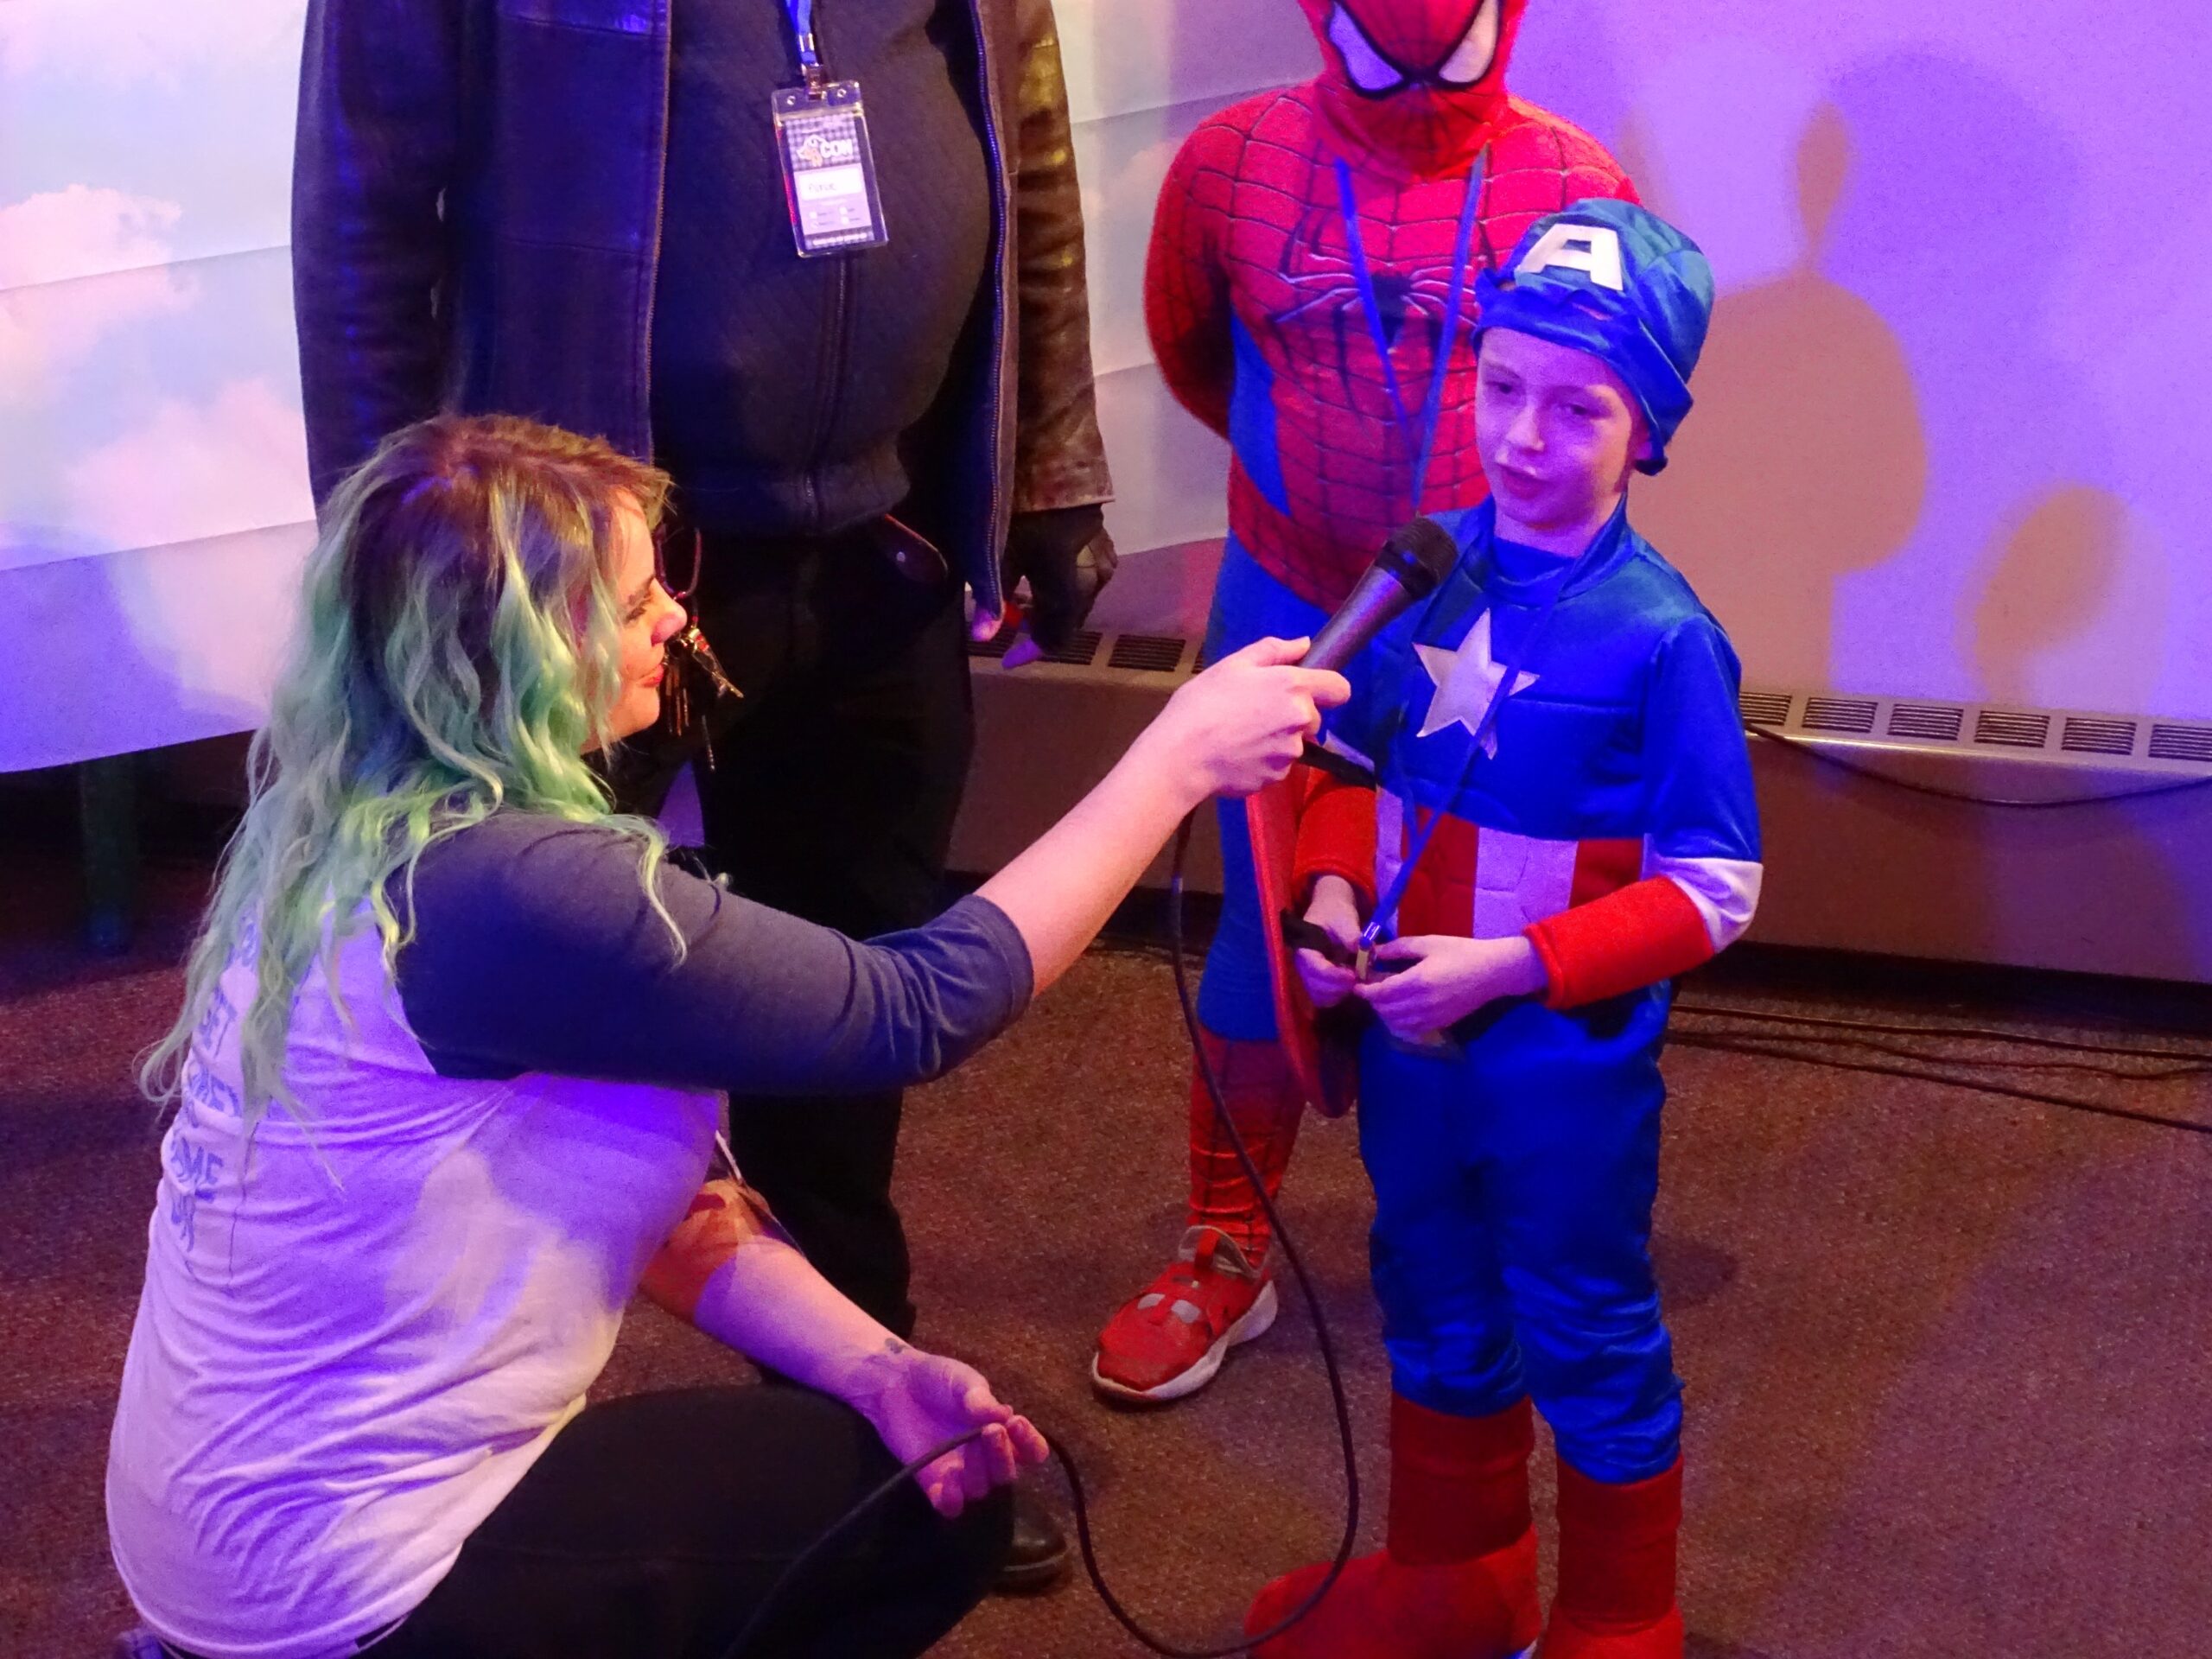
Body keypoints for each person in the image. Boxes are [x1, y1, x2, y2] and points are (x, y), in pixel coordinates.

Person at [105, 416, 1344, 1659]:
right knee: (928, 1518)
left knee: (901, 1445)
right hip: (340, 1590)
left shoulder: (346, 831)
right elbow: (918, 1008)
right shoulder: (515, 888)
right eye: (634, 601)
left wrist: (874, 1368)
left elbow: (664, 1205)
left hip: (228, 1552)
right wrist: (1171, 764)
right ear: (520, 650)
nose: (675, 620)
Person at [292, 0, 1114, 1580]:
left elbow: (1026, 133)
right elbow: (360, 212)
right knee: (503, 1047)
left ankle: (861, 1419)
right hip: (574, 589)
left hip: (878, 547)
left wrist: (1053, 466)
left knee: (842, 1003)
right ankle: (418, 1484)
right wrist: (398, 568)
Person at [1095, 0, 1639, 1405]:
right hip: (1287, 595)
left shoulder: (1575, 187)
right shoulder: (1231, 164)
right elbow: (1197, 355)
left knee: (1495, 917)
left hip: (1496, 613)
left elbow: (1605, 401)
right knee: (1261, 930)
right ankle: (1226, 1242)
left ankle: (1497, 1231)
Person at [1241, 201, 1758, 1658]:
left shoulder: (1664, 637)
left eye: (1579, 407)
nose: (1524, 436)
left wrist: (1515, 967)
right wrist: (1331, 896)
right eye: (1503, 386)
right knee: (1430, 1286)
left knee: (1585, 1320)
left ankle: (1618, 1624)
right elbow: (1347, 767)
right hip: (1413, 1040)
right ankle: (1452, 1584)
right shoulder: (1424, 570)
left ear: (1647, 431)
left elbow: (1717, 888)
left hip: (1558, 1069)